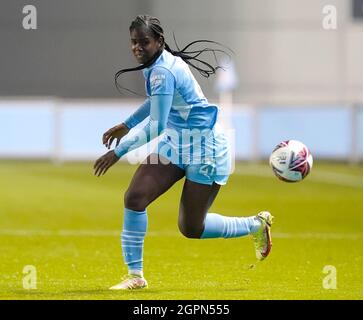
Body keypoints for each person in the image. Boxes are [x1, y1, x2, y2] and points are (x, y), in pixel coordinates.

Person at [93, 15, 273, 290]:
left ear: (159, 42)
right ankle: (136, 276)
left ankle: (255, 225)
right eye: (133, 42)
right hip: (177, 142)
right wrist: (126, 125)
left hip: (205, 149)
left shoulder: (163, 71)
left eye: (144, 42)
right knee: (135, 197)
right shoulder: (155, 65)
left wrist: (117, 153)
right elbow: (157, 100)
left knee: (191, 228)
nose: (137, 48)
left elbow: (156, 125)